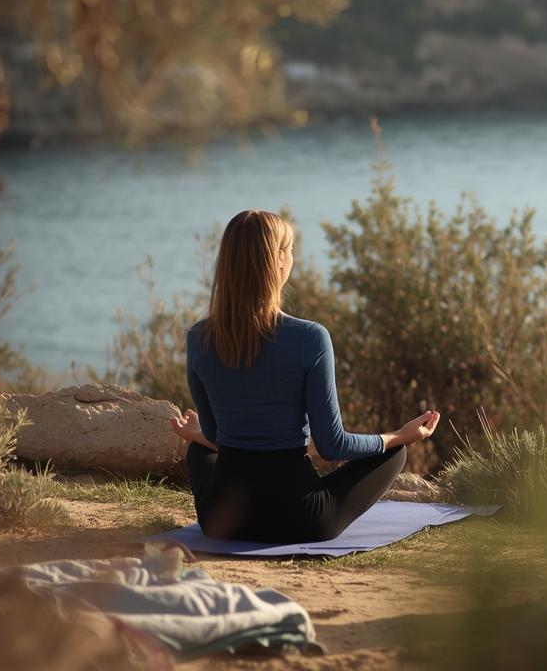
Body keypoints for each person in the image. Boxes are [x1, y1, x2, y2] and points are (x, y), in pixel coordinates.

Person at [167, 209, 440, 543]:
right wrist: (400, 436)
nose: (293, 257)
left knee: (200, 451)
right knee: (394, 453)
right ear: (278, 261)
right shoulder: (310, 339)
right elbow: (332, 446)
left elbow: (216, 434)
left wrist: (197, 434)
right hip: (300, 518)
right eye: (290, 248)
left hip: (221, 520)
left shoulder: (199, 338)